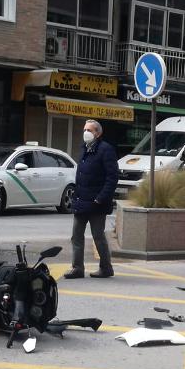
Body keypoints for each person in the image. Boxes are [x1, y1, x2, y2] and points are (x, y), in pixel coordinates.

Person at [65, 119, 118, 279]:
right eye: (84, 129)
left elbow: (112, 177)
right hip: (81, 201)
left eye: (89, 130)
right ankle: (77, 268)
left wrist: (101, 198)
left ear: (98, 133)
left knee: (98, 236)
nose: (85, 133)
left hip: (96, 203)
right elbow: (81, 176)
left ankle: (106, 268)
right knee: (76, 236)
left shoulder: (106, 150)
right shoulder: (84, 149)